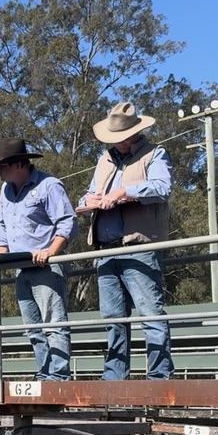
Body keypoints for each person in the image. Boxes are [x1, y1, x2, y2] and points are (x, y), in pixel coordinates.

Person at [77, 101, 174, 380]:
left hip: (139, 248)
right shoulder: (104, 160)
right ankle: (115, 380)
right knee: (113, 319)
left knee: (151, 314)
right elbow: (87, 195)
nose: (116, 143)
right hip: (105, 251)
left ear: (134, 132)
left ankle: (159, 378)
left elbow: (162, 187)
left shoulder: (155, 154)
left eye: (120, 138)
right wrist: (89, 201)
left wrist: (124, 193)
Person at [0, 138, 77, 381]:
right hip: (20, 268)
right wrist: (0, 259)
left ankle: (58, 377)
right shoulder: (6, 191)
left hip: (46, 267)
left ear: (18, 164)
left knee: (53, 322)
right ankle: (44, 372)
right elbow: (3, 227)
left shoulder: (48, 186)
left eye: (2, 166)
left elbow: (67, 221)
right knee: (33, 327)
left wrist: (51, 251)